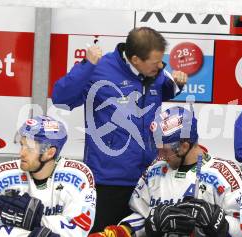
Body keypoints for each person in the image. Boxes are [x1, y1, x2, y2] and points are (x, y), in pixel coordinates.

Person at [51, 27, 188, 231]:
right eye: (155, 62)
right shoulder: (99, 70)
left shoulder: (156, 72)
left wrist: (175, 84)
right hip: (109, 180)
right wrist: (87, 65)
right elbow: (61, 100)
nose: (161, 66)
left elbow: (159, 91)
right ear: (135, 59)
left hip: (149, 179)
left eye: (161, 61)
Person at [89, 106, 242, 237]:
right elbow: (141, 214)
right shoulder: (155, 170)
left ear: (184, 145)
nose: (160, 156)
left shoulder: (224, 173)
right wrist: (123, 231)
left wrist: (220, 224)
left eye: (164, 151)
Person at [0, 115, 96, 237]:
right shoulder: (0, 175)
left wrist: (35, 218)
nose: (21, 153)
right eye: (21, 145)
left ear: (50, 153)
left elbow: (79, 230)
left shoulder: (79, 175)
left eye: (29, 148)